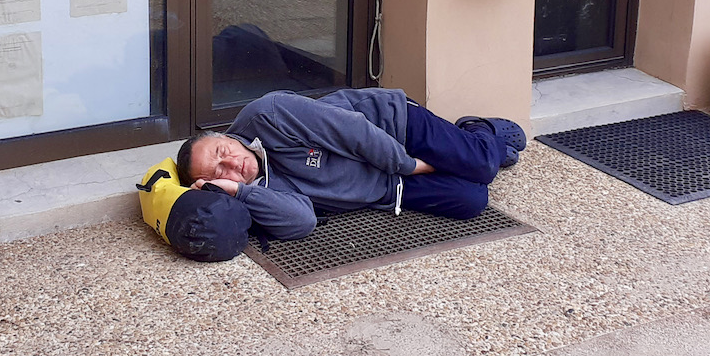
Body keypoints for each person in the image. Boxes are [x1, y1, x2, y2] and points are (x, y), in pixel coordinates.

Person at [174, 88, 526, 240]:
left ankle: (480, 130)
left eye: (223, 152)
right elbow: (302, 221)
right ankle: (477, 148)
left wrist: (410, 165)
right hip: (386, 188)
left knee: (483, 166)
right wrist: (239, 192)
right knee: (473, 200)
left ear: (225, 135)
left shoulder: (267, 114)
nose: (233, 165)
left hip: (393, 125)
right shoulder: (258, 192)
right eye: (220, 174)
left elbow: (354, 130)